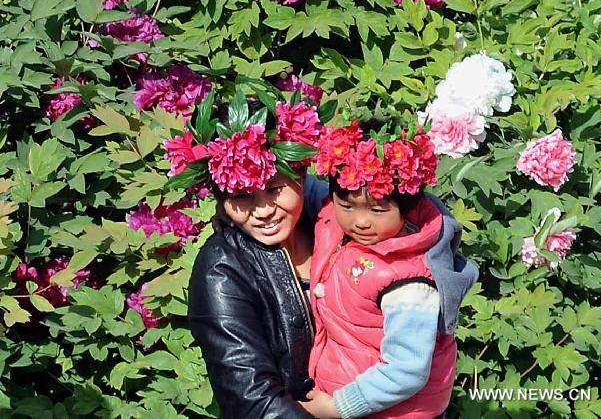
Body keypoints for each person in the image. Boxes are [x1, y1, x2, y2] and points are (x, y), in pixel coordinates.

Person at [300, 120, 478, 419]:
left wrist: (338, 407)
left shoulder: (410, 282)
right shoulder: (337, 217)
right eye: (347, 206)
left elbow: (406, 370)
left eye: (378, 210)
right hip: (348, 383)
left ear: (406, 207)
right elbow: (308, 190)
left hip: (390, 409)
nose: (361, 221)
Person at [185, 91, 328, 419]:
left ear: (301, 174)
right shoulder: (222, 268)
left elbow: (419, 220)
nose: (263, 210)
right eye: (242, 196)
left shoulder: (338, 221)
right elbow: (254, 402)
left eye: (276, 189)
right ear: (222, 197)